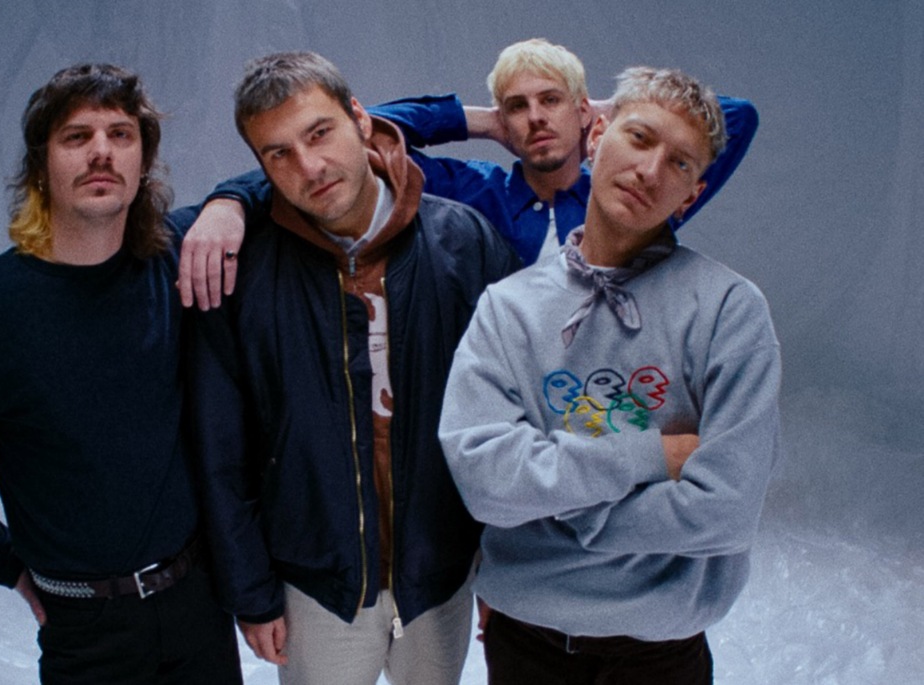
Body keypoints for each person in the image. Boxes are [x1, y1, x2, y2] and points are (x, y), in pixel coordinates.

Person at [437, 66, 782, 684]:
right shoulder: (508, 308)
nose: (650, 171)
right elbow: (486, 483)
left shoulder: (730, 309)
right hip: (524, 639)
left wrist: (563, 509)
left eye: (679, 163)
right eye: (640, 138)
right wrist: (653, 455)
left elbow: (726, 510)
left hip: (660, 650)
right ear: (596, 137)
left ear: (692, 195)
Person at [0, 63, 242, 684]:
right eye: (77, 136)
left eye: (120, 134)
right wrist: (4, 563)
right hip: (85, 629)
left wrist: (229, 202)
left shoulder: (175, 259)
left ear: (143, 163)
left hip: (198, 605)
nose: (101, 152)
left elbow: (286, 180)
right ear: (41, 166)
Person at [185, 51, 519, 684]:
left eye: (320, 133)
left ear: (362, 120)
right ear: (260, 168)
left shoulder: (464, 242)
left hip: (442, 574)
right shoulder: (243, 273)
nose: (309, 167)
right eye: (279, 154)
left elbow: (510, 416)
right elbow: (220, 449)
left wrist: (503, 565)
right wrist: (251, 591)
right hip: (316, 584)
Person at [174, 37, 757, 308]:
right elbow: (357, 138)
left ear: (585, 113)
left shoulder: (636, 195)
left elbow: (737, 118)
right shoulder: (475, 193)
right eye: (516, 106)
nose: (535, 117)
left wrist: (622, 113)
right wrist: (477, 121)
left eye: (551, 101)